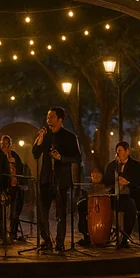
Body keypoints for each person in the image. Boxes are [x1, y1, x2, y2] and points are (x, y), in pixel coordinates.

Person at [77, 140, 140, 248]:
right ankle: (87, 236)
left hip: (129, 196)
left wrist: (128, 183)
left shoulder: (136, 165)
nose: (117, 154)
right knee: (82, 205)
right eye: (117, 151)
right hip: (112, 197)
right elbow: (106, 182)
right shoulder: (112, 165)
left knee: (130, 206)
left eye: (120, 151)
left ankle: (125, 238)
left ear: (127, 152)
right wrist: (98, 180)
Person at [32, 107, 82, 252]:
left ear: (60, 119)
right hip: (46, 179)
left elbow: (78, 158)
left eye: (52, 117)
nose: (48, 119)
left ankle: (60, 242)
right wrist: (39, 141)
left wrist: (62, 158)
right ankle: (46, 240)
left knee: (61, 214)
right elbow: (35, 154)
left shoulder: (70, 137)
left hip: (61, 180)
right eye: (47, 117)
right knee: (42, 212)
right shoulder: (45, 135)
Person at [0, 135, 26, 243]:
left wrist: (15, 169)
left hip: (13, 187)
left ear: (10, 144)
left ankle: (13, 231)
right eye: (2, 143)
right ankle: (3, 233)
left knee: (17, 202)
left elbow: (21, 171)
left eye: (6, 143)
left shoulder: (15, 156)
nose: (4, 145)